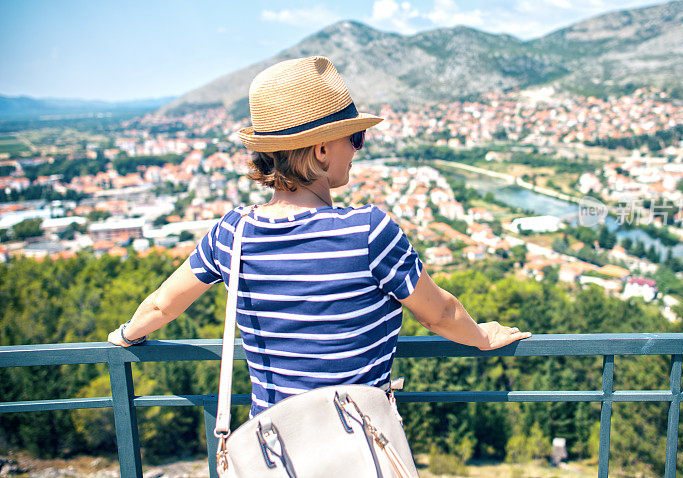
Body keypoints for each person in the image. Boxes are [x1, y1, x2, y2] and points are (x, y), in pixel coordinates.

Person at [108, 56, 531, 417]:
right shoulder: (368, 232)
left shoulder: (231, 234)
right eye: (355, 137)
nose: (359, 149)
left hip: (274, 450)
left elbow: (163, 305)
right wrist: (482, 336)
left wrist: (126, 336)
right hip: (356, 445)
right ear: (322, 150)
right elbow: (437, 314)